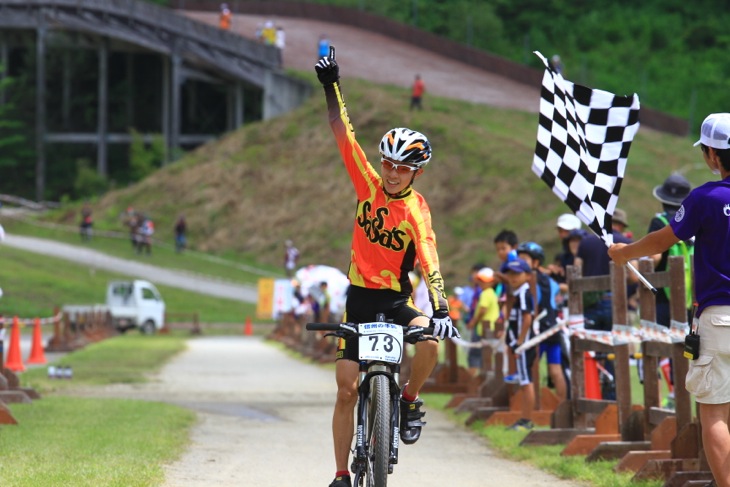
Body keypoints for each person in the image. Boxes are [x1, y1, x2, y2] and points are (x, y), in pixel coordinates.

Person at [315, 46, 459, 487]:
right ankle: (341, 473)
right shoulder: (367, 183)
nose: (392, 173)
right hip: (358, 300)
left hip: (396, 301)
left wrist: (441, 309)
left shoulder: (417, 211)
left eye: (403, 168)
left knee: (432, 343)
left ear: (417, 172)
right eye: (388, 164)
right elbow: (344, 132)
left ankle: (410, 398)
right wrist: (331, 86)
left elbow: (430, 260)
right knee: (344, 389)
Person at [609, 112, 730, 487]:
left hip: (719, 316)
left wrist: (624, 252)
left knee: (714, 413)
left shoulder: (705, 198)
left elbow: (664, 239)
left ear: (712, 155)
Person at [516, 242, 568, 401]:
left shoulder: (527, 281)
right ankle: (561, 406)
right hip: (553, 328)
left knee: (531, 369)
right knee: (555, 370)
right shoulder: (551, 281)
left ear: (536, 262)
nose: (520, 262)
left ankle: (532, 407)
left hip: (537, 331)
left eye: (524, 259)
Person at [502, 257, 536, 431]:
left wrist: (520, 342)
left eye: (517, 274)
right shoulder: (518, 293)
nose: (513, 277)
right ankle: (524, 418)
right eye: (510, 274)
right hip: (520, 345)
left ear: (528, 276)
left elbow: (527, 318)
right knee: (524, 381)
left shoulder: (523, 293)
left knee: (525, 381)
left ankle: (527, 420)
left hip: (523, 346)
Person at [465, 267, 499, 376]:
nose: (482, 283)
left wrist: (473, 322)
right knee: (485, 356)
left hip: (482, 329)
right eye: (481, 280)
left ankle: (473, 380)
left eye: (485, 281)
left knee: (475, 356)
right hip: (489, 328)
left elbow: (482, 310)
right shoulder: (491, 293)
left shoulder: (485, 294)